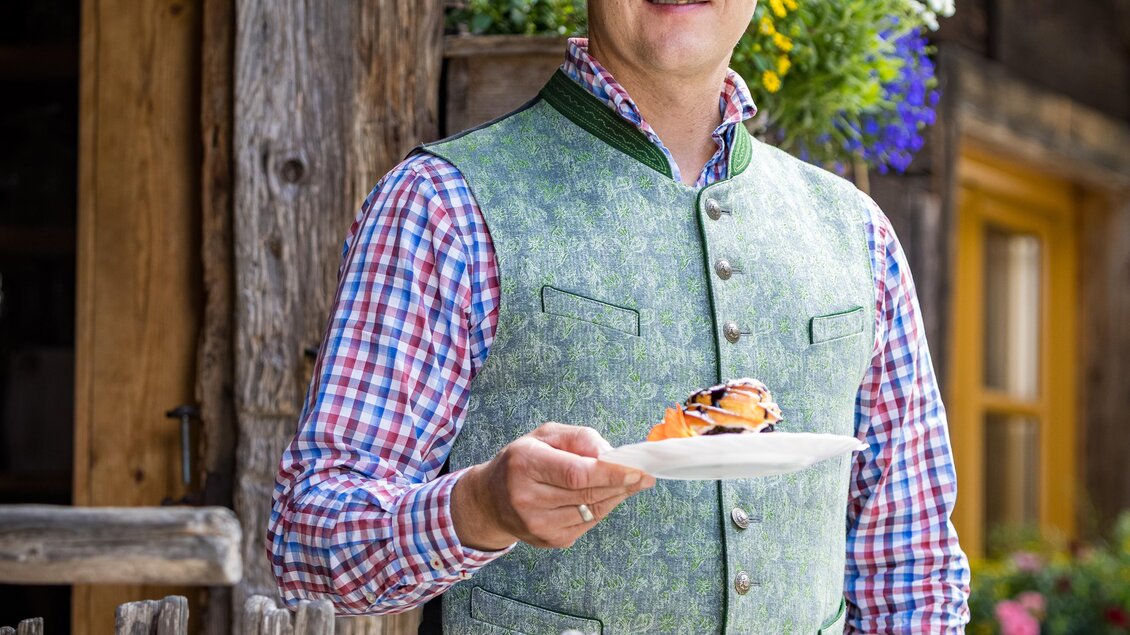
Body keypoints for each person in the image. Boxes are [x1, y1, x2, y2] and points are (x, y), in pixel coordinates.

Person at [268, 0, 971, 632]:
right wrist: (479, 507)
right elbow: (308, 540)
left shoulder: (858, 234)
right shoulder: (440, 204)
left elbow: (913, 568)